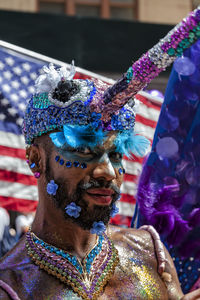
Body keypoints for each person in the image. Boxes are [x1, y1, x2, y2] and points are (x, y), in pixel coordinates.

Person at [1, 7, 200, 300]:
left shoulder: (149, 251)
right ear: (35, 159)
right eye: (83, 151)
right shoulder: (11, 285)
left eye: (116, 156)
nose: (107, 171)